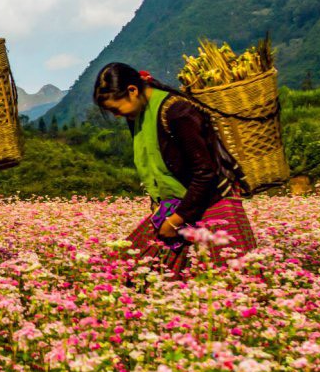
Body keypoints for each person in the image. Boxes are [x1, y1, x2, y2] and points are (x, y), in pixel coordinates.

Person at [91, 62, 259, 272]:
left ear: (132, 91)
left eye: (116, 109)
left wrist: (176, 221)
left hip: (211, 200)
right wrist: (160, 208)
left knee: (234, 283)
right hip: (177, 204)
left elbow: (205, 173)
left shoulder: (177, 112)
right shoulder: (138, 115)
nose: (117, 115)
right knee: (122, 271)